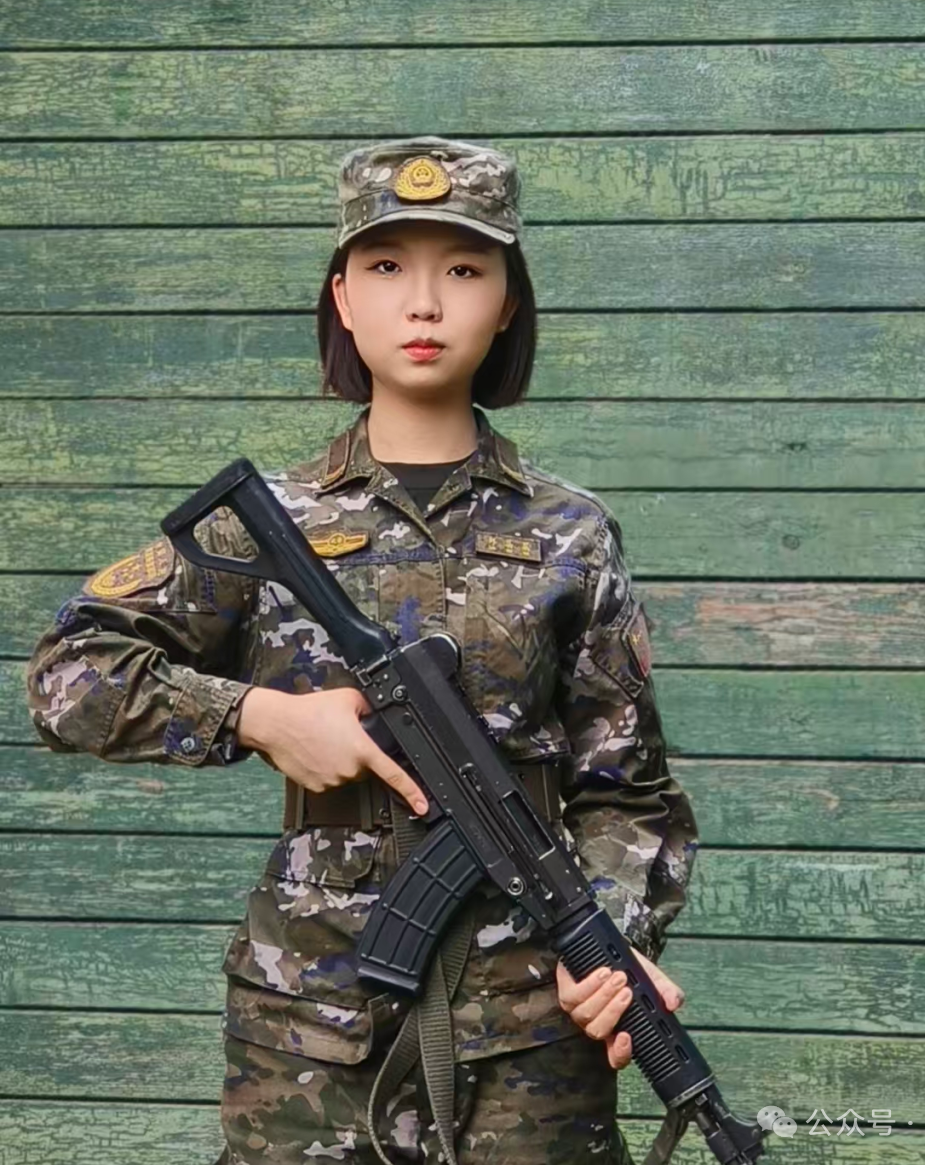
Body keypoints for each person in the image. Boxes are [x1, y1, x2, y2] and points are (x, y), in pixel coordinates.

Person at [25, 136, 699, 1164]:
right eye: (386, 267)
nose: (423, 304)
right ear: (342, 298)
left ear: (508, 303)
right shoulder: (269, 524)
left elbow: (632, 796)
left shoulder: (572, 533)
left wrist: (608, 936)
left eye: (463, 270)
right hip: (310, 1031)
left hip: (532, 1037)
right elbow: (67, 674)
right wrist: (258, 717)